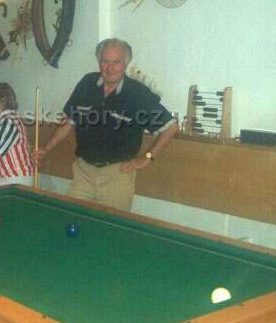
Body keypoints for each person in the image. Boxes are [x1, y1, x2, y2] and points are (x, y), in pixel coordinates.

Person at [33, 38, 179, 212]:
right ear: (99, 61)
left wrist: (147, 158)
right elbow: (69, 121)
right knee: (72, 218)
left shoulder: (137, 93)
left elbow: (171, 127)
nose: (110, 68)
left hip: (117, 174)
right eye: (105, 61)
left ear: (126, 63)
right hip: (83, 172)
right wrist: (47, 148)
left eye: (116, 62)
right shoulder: (87, 83)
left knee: (111, 225)